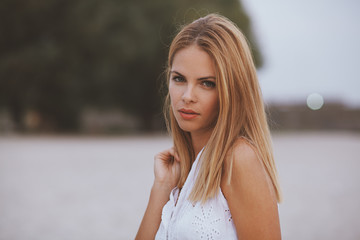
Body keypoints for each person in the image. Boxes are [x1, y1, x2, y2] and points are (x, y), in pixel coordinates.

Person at [136, 13, 282, 240]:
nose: (187, 96)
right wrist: (162, 187)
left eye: (207, 83)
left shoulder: (238, 159)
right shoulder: (183, 170)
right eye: (179, 79)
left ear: (232, 90)